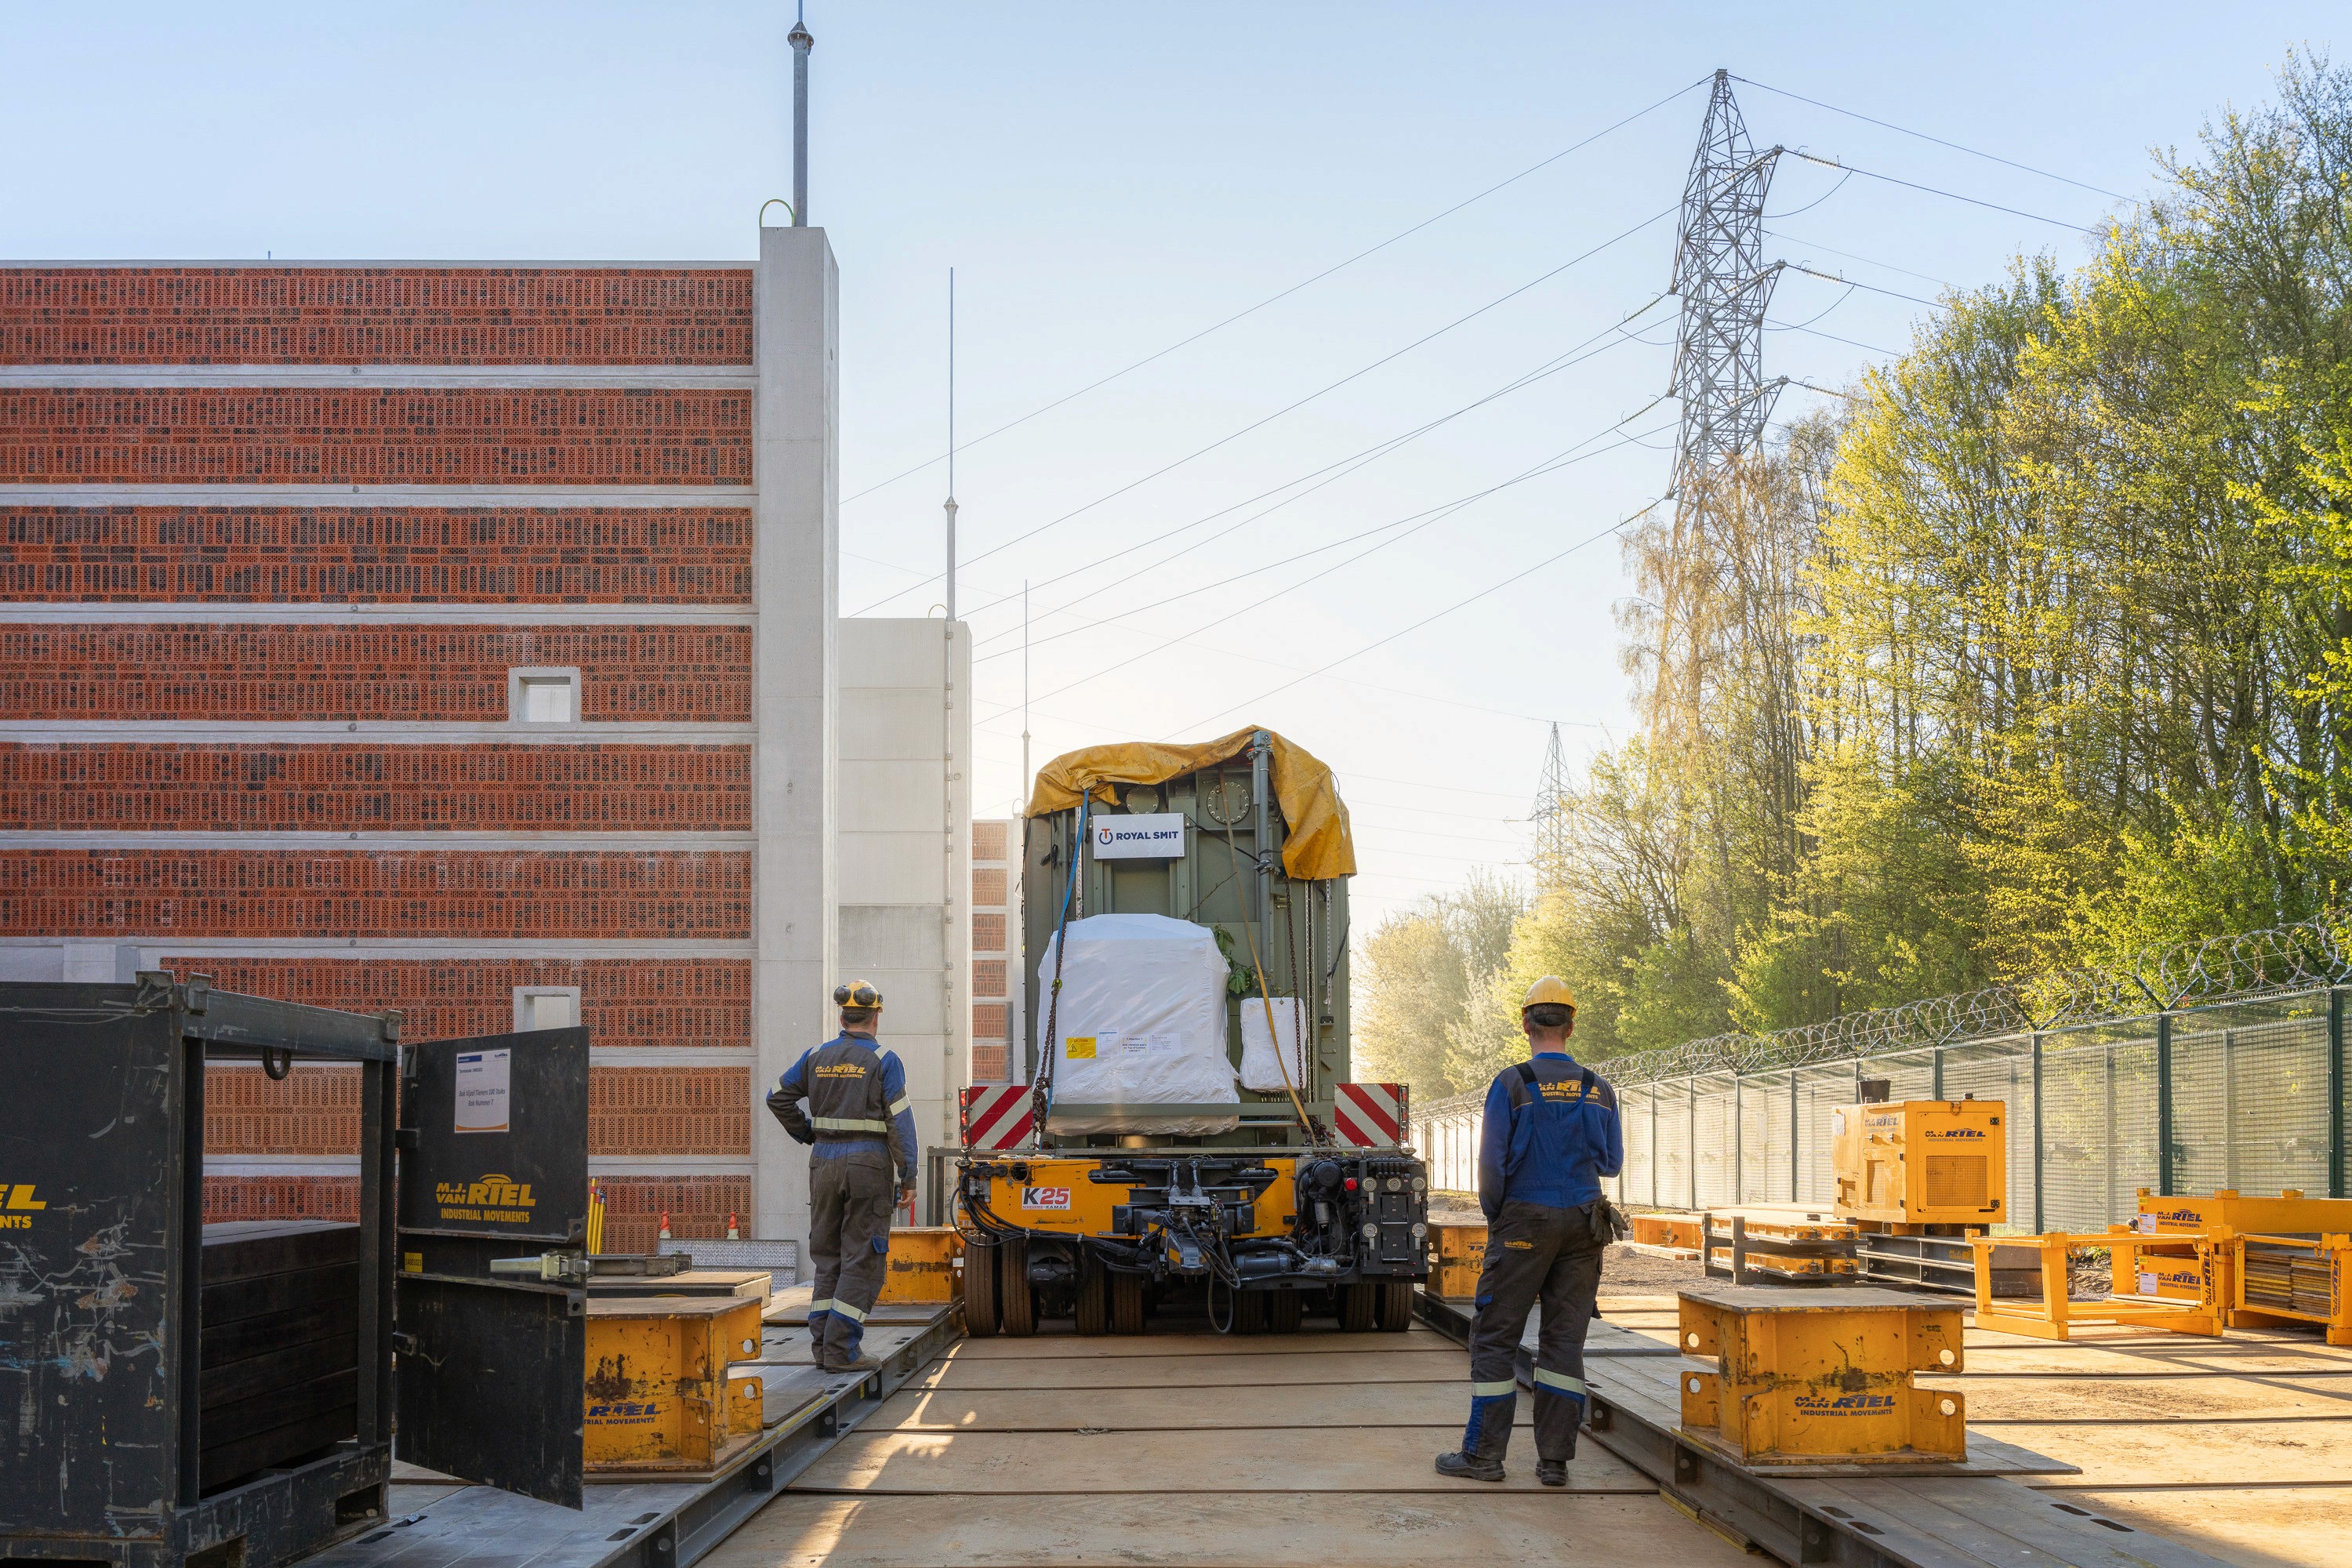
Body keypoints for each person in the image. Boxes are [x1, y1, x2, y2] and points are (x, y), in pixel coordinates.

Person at [1436, 975, 1624, 1486]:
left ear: (1526, 1024)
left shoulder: (1512, 1085)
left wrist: (1501, 1220)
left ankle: (1484, 1455)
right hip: (1584, 1223)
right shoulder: (1598, 1088)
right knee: (1564, 1340)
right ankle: (1555, 1461)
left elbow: (1491, 1167)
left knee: (1496, 1335)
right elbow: (1610, 1163)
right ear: (1571, 1025)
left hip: (1523, 1219)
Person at [765, 980, 919, 1373]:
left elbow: (777, 1097)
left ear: (842, 1018)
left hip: (824, 1162)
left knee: (828, 1257)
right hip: (867, 1166)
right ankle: (842, 1350)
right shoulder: (884, 1060)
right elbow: (899, 1122)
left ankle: (823, 1347)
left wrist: (807, 1133)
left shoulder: (816, 1056)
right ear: (875, 1017)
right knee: (863, 1256)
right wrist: (909, 1175)